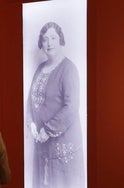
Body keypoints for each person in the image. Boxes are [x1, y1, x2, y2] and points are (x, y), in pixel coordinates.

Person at [26, 22, 85, 188]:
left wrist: (48, 129)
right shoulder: (39, 68)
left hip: (63, 145)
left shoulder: (69, 69)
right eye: (45, 39)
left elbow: (72, 107)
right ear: (41, 44)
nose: (49, 43)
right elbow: (30, 99)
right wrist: (30, 122)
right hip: (41, 144)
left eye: (53, 38)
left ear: (61, 41)